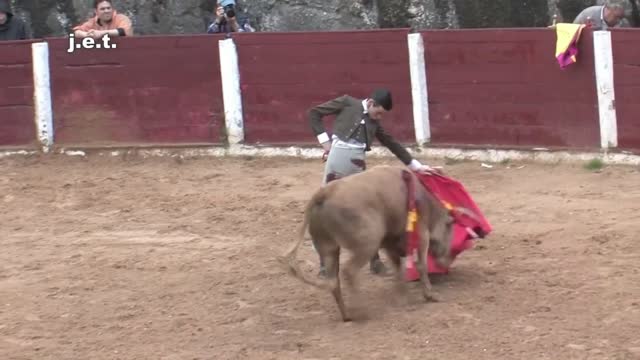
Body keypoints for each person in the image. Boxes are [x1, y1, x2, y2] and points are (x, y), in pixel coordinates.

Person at [308, 88, 440, 277]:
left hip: (357, 169)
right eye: (378, 113)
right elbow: (314, 113)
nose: (378, 117)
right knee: (323, 211)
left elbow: (392, 143)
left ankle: (375, 261)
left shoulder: (374, 124)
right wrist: (326, 144)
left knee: (368, 213)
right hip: (335, 166)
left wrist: (416, 166)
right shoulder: (347, 103)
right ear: (370, 103)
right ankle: (324, 264)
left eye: (381, 115)